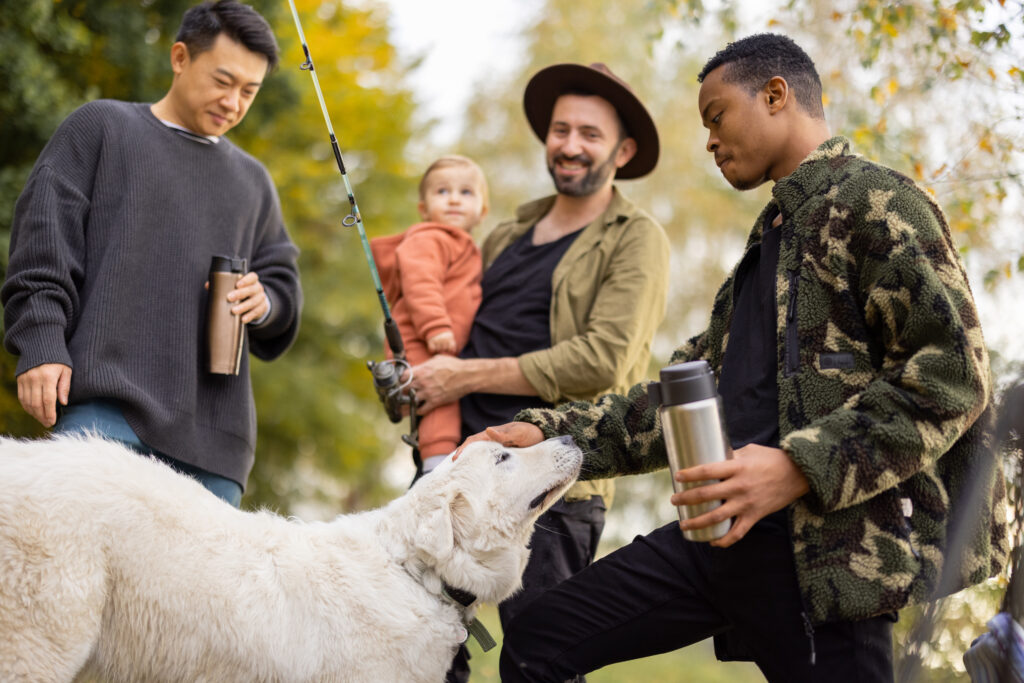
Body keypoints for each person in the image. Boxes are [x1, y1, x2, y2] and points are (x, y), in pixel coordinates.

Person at [466, 34, 1008, 682]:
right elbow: (682, 395)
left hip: (832, 566)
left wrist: (797, 466)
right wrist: (552, 431)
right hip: (720, 546)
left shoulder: (878, 202)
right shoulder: (770, 243)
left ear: (775, 95)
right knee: (537, 643)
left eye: (716, 116)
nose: (710, 140)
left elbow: (952, 374)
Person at [411, 63, 670, 681]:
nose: (570, 145)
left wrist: (466, 376)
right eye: (560, 129)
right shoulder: (504, 234)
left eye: (590, 133)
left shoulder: (637, 239)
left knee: (537, 663)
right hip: (455, 472)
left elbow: (602, 357)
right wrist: (420, 376)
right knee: (424, 653)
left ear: (623, 150)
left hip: (549, 490)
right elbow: (451, 322)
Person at [1, 0, 302, 508]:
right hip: (104, 413)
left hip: (216, 449)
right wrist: (43, 343)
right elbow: (41, 251)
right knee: (72, 581)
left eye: (249, 92)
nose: (233, 103)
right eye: (222, 81)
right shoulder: (100, 129)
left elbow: (282, 284)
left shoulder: (254, 182)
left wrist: (265, 302)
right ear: (180, 57)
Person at [370, 155, 487, 467]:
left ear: (482, 211)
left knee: (447, 398)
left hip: (443, 344)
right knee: (439, 401)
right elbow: (421, 282)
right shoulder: (429, 238)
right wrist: (436, 326)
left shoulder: (465, 245)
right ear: (423, 209)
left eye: (466, 192)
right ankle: (435, 467)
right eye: (442, 192)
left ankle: (441, 457)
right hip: (422, 338)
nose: (453, 200)